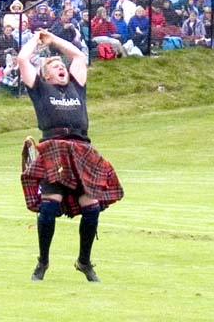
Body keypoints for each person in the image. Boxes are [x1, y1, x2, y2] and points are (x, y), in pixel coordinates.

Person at [18, 29, 124, 282]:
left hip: (81, 149)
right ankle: (43, 262)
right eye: (55, 67)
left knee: (92, 207)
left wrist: (52, 40)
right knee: (49, 205)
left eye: (61, 66)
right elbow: (23, 60)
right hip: (54, 148)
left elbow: (78, 56)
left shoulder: (77, 85)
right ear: (46, 75)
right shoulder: (40, 89)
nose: (61, 68)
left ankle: (84, 261)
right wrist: (35, 40)